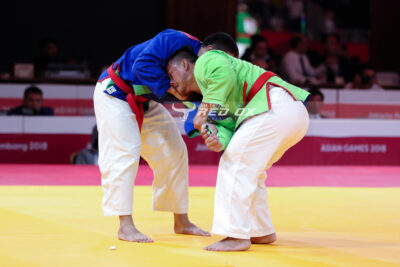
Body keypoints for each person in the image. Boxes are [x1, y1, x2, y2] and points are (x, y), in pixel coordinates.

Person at [93, 29, 238, 243]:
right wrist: (176, 93)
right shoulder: (173, 39)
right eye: (220, 58)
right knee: (125, 153)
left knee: (175, 152)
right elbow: (141, 67)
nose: (221, 66)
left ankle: (181, 221)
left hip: (146, 101)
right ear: (208, 50)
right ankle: (125, 226)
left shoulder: (206, 75)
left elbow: (199, 108)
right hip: (114, 92)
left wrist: (208, 126)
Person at [167, 49, 310, 251]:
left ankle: (235, 235)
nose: (170, 82)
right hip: (288, 115)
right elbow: (229, 132)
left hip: (276, 106)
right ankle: (261, 231)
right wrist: (218, 140)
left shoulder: (206, 60)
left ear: (184, 65)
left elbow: (223, 74)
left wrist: (203, 113)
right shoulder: (212, 98)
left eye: (171, 74)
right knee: (252, 171)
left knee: (235, 163)